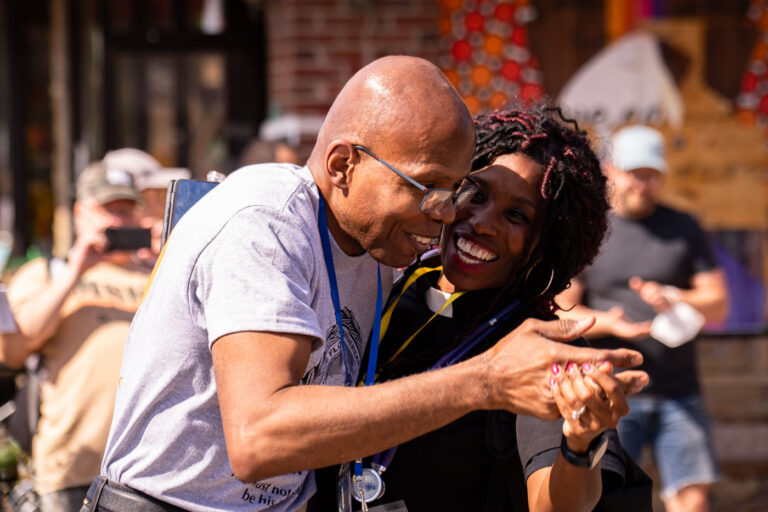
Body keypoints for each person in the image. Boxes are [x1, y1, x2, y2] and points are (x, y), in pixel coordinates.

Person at [88, 56, 644, 512]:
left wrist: (580, 444)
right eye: (442, 189)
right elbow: (258, 438)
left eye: (517, 216)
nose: (450, 214)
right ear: (342, 165)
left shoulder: (391, 255)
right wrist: (483, 381)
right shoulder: (269, 225)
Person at [310, 107, 651, 512]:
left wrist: (580, 445)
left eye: (516, 215)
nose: (483, 222)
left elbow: (553, 505)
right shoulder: (389, 281)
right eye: (475, 193)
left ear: (543, 244)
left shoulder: (537, 345)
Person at [557, 125, 728, 512]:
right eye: (636, 173)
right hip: (610, 390)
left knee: (692, 499)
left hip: (679, 390)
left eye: (652, 174)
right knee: (610, 499)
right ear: (611, 170)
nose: (644, 184)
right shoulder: (591, 229)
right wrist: (607, 322)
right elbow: (562, 311)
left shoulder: (684, 228)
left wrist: (673, 296)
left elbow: (717, 304)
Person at [0, 163, 151, 511]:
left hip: (143, 473)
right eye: (107, 210)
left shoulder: (157, 273)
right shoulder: (47, 272)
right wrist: (75, 271)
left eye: (126, 210)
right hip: (70, 469)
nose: (118, 220)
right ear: (80, 214)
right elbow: (15, 350)